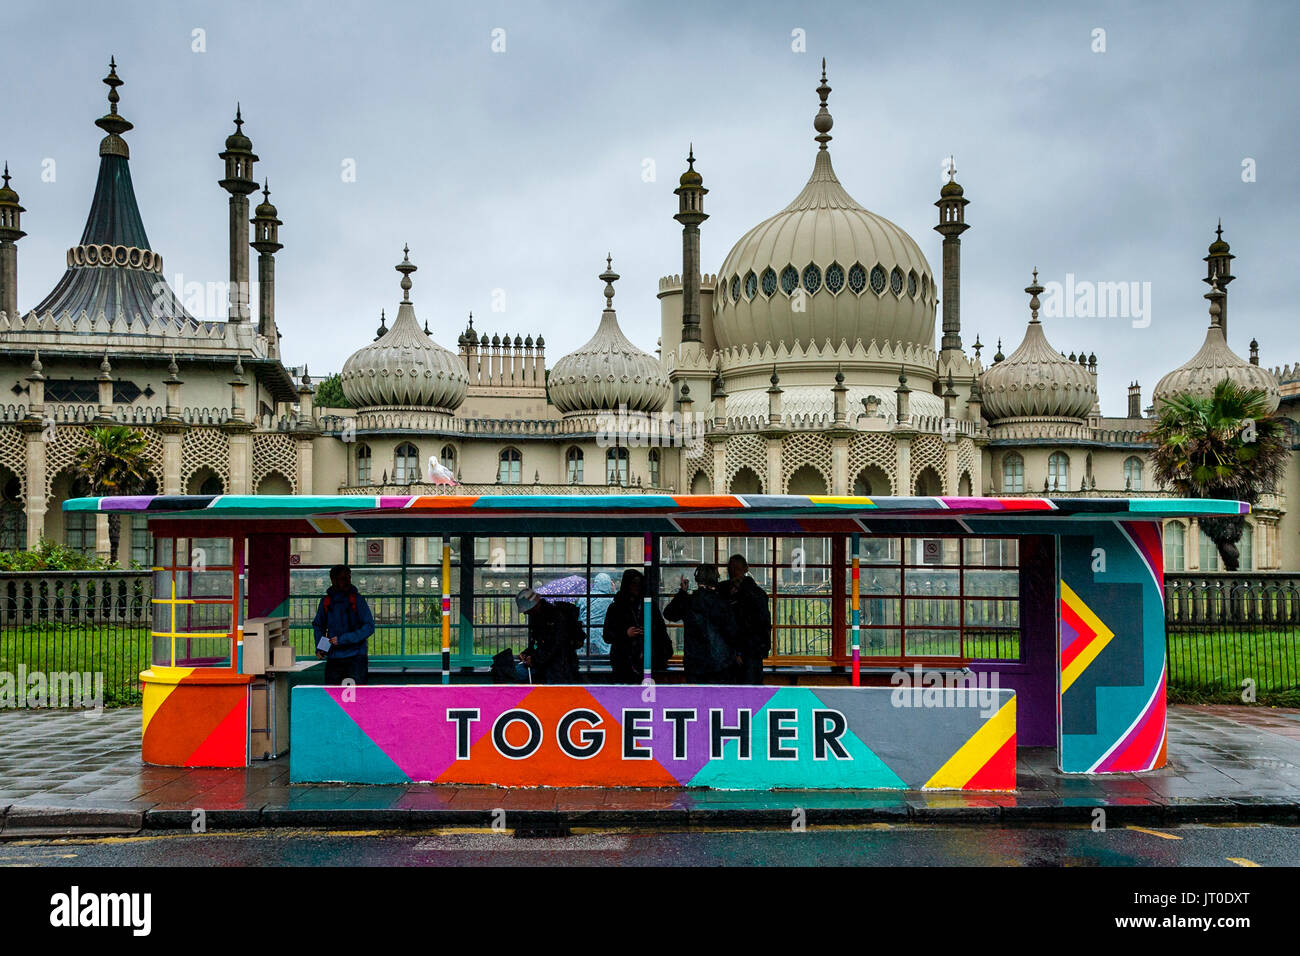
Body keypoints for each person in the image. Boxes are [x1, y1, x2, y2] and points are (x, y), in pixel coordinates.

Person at [662, 564, 738, 683]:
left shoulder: (689, 601)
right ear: (715, 579)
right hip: (719, 664)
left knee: (697, 700)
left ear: (697, 580)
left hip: (694, 664)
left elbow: (669, 614)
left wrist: (682, 593)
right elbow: (732, 633)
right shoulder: (722, 603)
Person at [603, 568, 672, 682]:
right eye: (634, 583)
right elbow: (607, 635)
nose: (637, 587)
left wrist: (650, 631)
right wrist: (626, 633)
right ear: (627, 585)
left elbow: (661, 630)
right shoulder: (616, 608)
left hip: (648, 659)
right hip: (624, 661)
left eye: (639, 583)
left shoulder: (649, 606)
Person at [312, 565, 375, 686]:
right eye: (342, 578)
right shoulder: (326, 601)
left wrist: (343, 639)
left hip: (356, 658)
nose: (347, 581)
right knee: (333, 696)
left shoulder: (357, 600)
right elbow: (319, 626)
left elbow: (369, 627)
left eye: (348, 577)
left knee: (356, 696)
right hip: (334, 658)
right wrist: (321, 647)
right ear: (333, 580)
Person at [723, 554, 772, 684]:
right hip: (752, 651)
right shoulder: (758, 593)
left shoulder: (727, 592)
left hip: (740, 651)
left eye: (735, 568)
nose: (733, 572)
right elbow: (763, 625)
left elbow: (742, 625)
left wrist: (738, 650)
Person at [516, 587, 582, 684]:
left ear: (533, 605)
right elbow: (538, 641)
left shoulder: (555, 616)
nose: (525, 613)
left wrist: (534, 659)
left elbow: (554, 645)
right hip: (550, 665)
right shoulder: (538, 616)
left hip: (561, 666)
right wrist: (527, 653)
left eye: (526, 609)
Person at [578, 572, 615, 658]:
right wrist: (614, 591)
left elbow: (579, 616)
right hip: (601, 636)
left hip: (586, 633)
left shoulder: (584, 597)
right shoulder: (610, 599)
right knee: (604, 659)